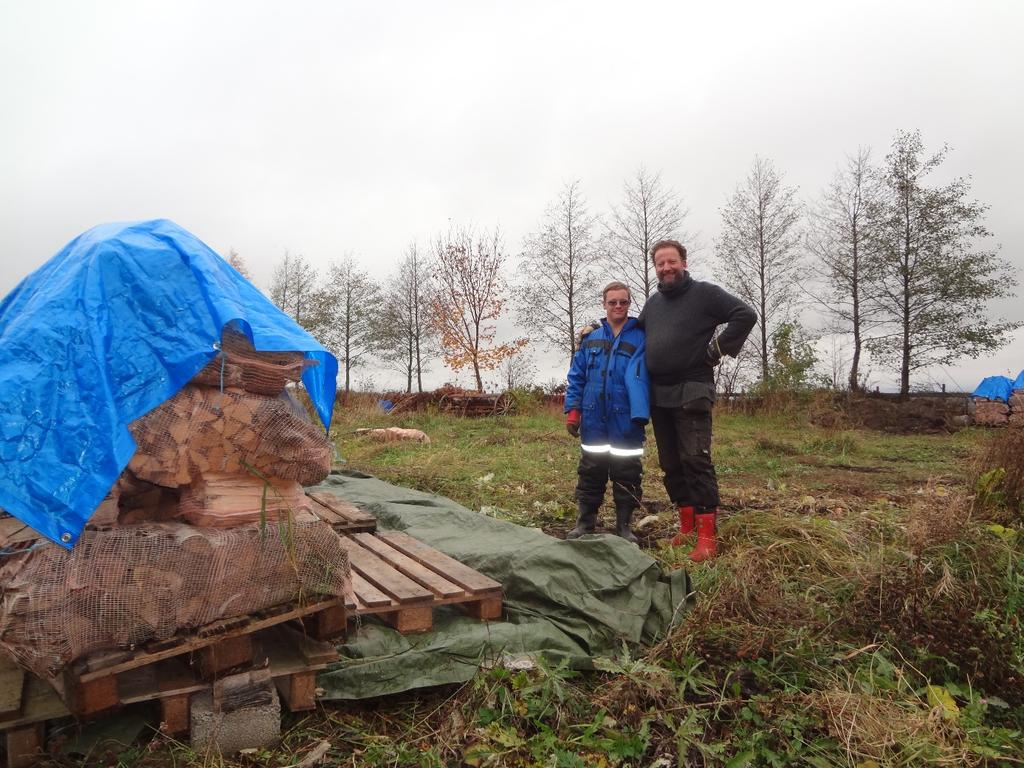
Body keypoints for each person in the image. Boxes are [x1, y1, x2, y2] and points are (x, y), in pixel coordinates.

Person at [639, 239, 756, 561]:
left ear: (683, 262)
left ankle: (707, 537)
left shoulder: (705, 294)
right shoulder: (654, 304)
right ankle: (686, 528)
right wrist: (599, 328)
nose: (666, 268)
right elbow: (634, 332)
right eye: (660, 264)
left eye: (671, 262)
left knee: (695, 460)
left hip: (692, 389)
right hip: (658, 394)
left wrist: (717, 350)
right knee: (671, 463)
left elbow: (744, 315)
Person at [564, 281, 650, 543]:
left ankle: (624, 526)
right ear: (604, 304)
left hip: (627, 419)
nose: (618, 306)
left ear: (629, 304)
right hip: (593, 417)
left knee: (627, 473)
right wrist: (573, 410)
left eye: (623, 302)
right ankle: (585, 523)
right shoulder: (590, 338)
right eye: (612, 302)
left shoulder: (642, 337)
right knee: (591, 471)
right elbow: (577, 376)